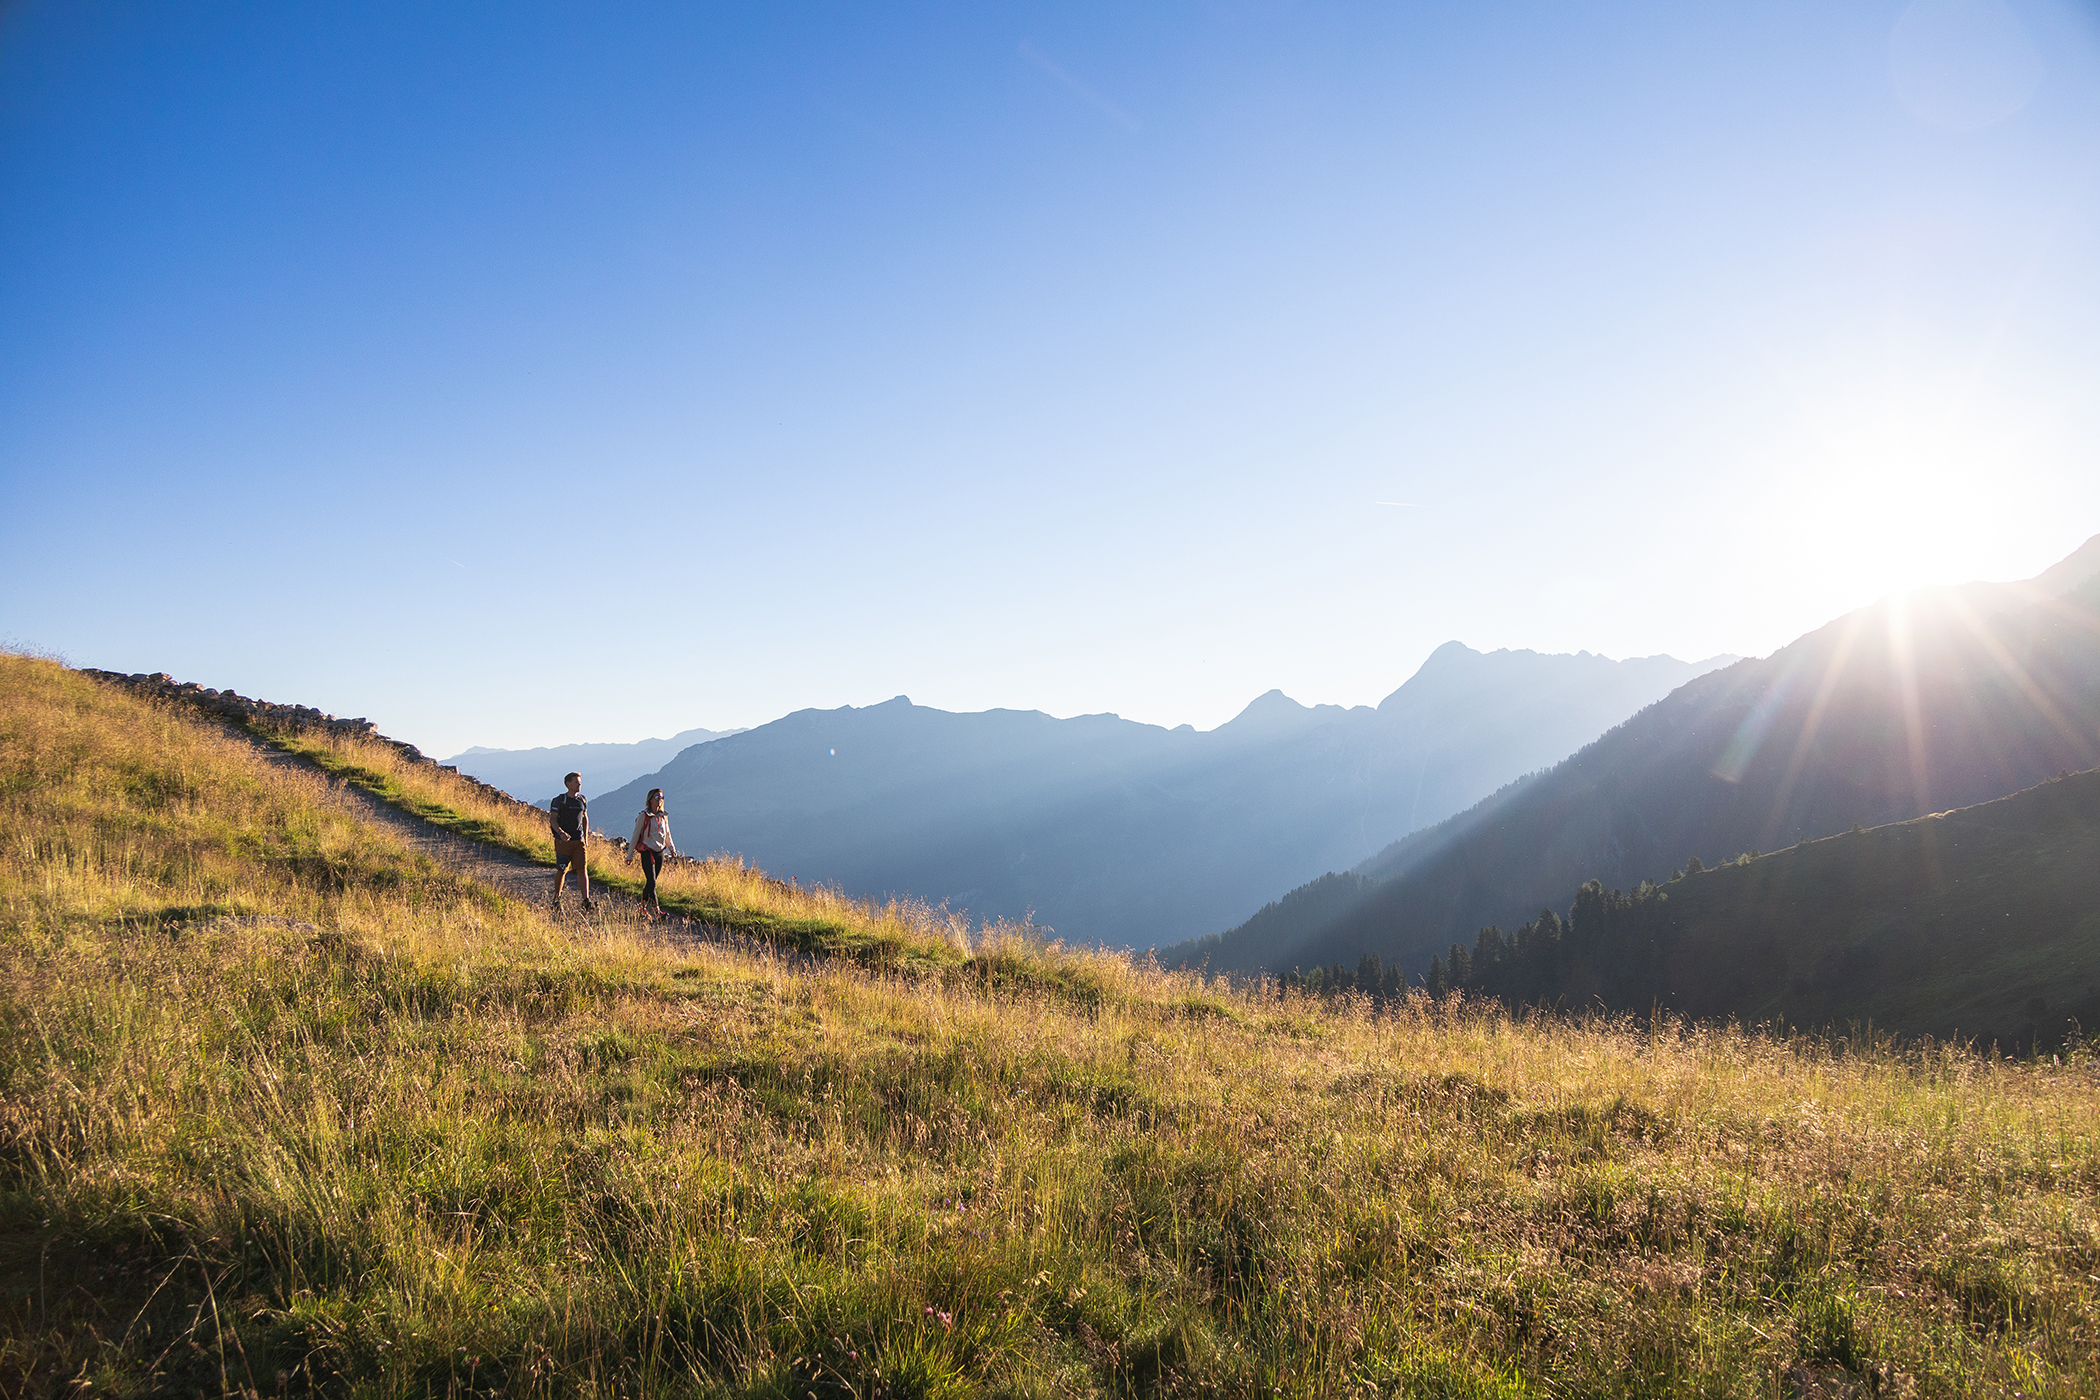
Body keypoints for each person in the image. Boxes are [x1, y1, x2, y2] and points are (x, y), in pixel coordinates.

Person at [628, 787, 678, 914]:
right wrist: (629, 856)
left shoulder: (663, 816)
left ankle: (642, 908)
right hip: (647, 851)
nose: (659, 800)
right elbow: (635, 836)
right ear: (650, 800)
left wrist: (672, 849)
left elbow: (667, 834)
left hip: (660, 852)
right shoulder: (643, 816)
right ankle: (657, 912)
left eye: (661, 797)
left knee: (651, 882)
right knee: (652, 882)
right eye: (656, 797)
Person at [550, 771, 593, 910]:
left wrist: (585, 838)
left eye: (579, 782)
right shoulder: (559, 800)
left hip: (578, 841)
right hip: (563, 842)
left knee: (582, 870)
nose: (579, 784)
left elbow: (585, 818)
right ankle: (557, 898)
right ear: (567, 784)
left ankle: (586, 900)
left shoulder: (582, 800)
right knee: (562, 870)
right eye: (576, 782)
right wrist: (561, 833)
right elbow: (553, 819)